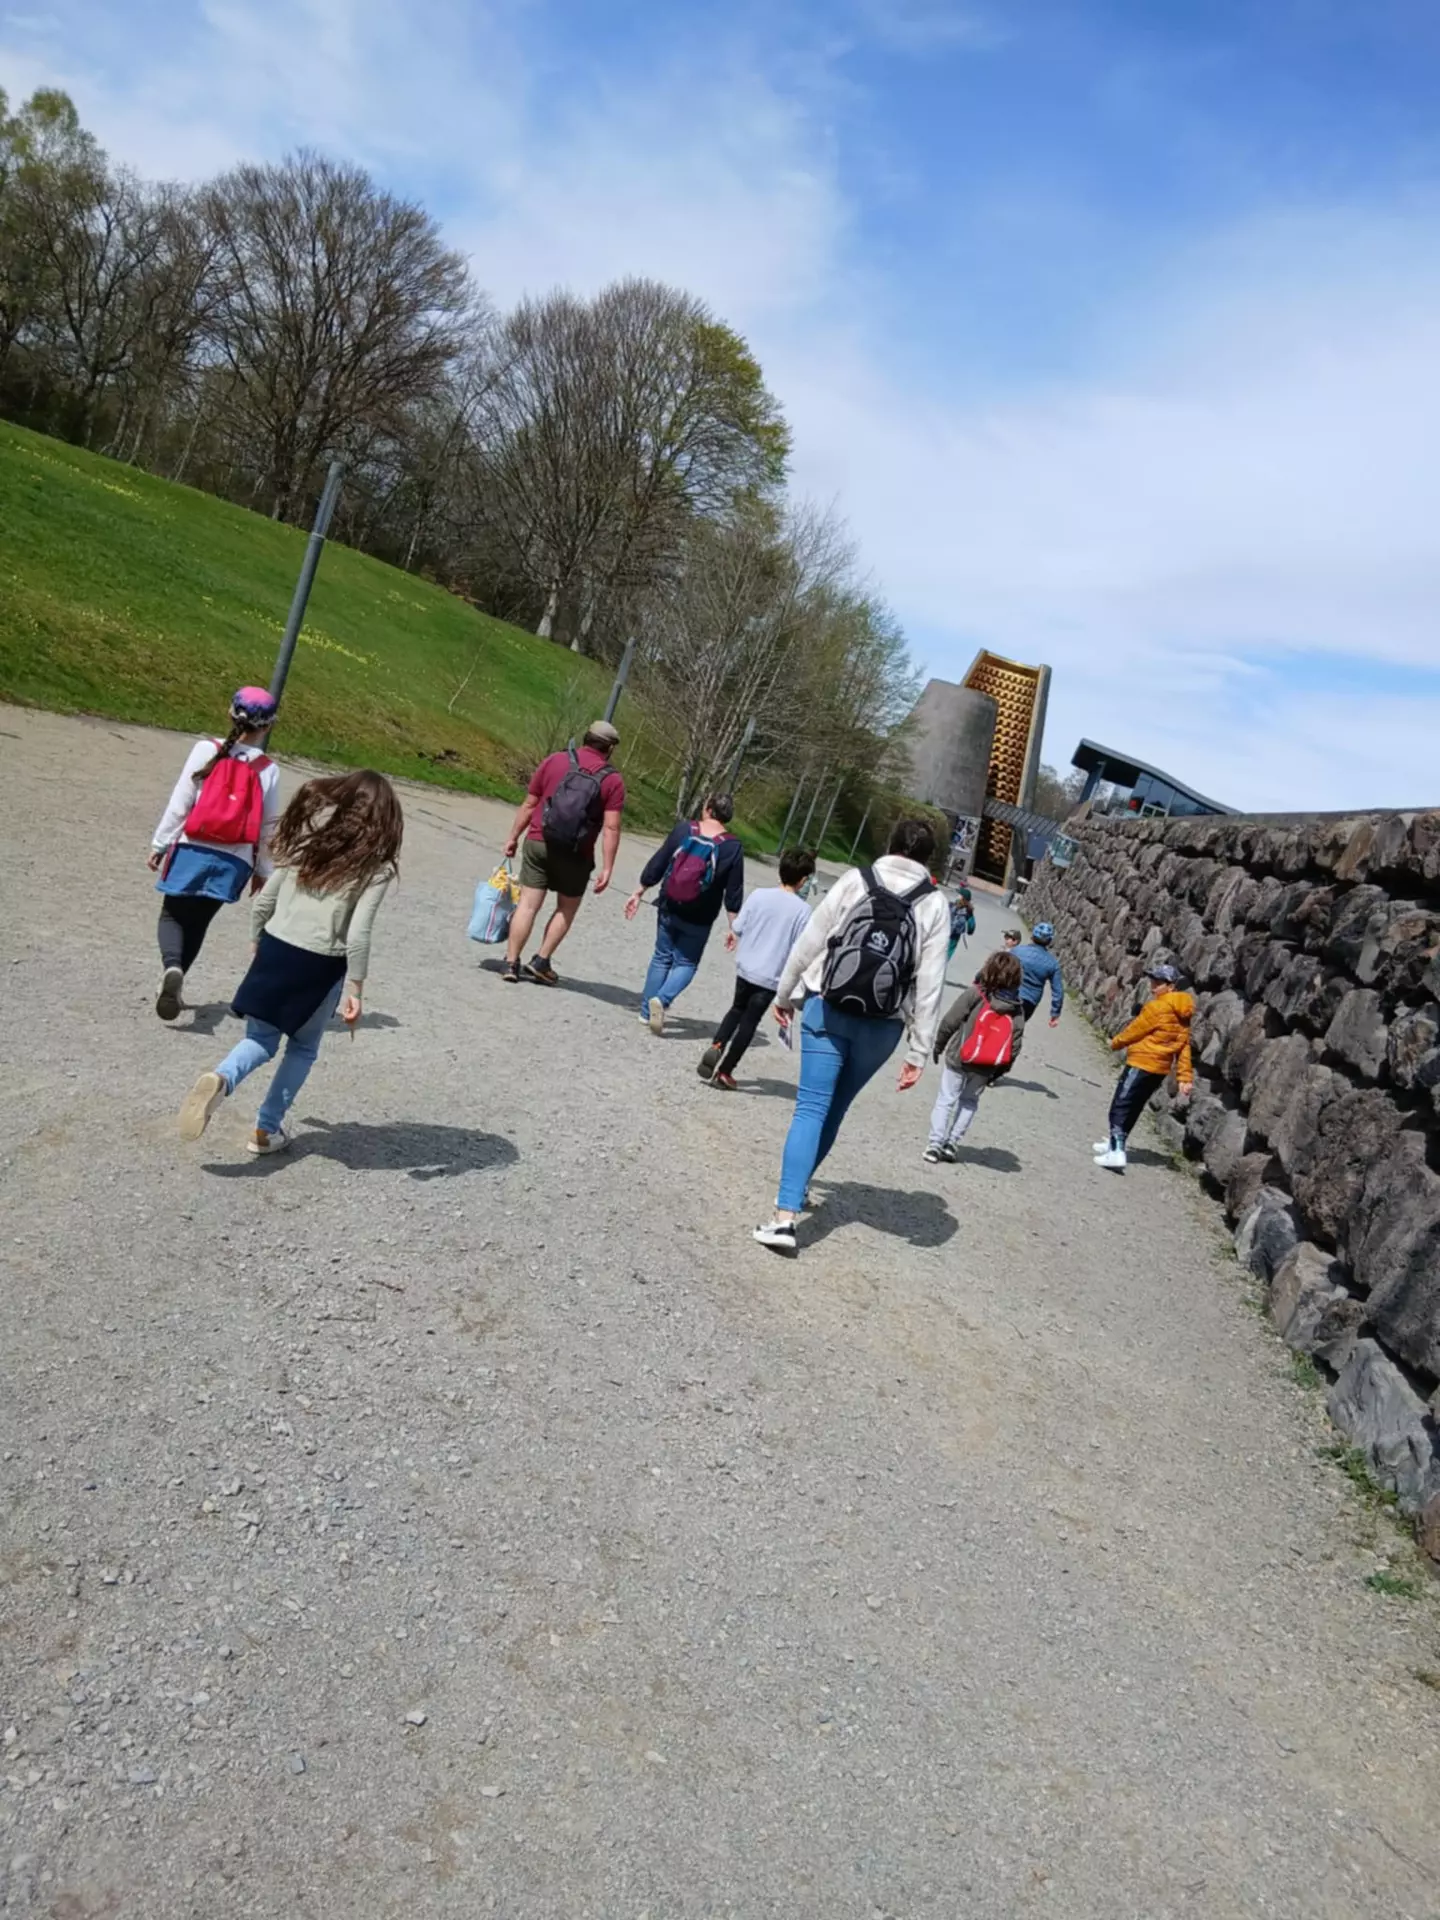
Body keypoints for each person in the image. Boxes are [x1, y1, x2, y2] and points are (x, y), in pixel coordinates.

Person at [177, 771, 402, 1157]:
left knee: (259, 1040)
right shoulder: (375, 869)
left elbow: (264, 903)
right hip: (319, 964)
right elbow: (359, 933)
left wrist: (257, 942)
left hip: (276, 947)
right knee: (302, 1048)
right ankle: (266, 1129)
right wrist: (356, 989)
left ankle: (221, 1077)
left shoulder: (307, 846)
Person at [753, 818, 951, 1255]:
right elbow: (931, 983)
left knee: (810, 1108)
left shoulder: (854, 880)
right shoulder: (935, 905)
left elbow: (810, 942)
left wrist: (784, 994)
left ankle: (784, 1217)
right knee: (835, 1108)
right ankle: (799, 1188)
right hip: (883, 1025)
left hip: (829, 1004)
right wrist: (919, 1051)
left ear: (890, 843)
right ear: (926, 859)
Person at [148, 686, 282, 1020]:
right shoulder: (268, 769)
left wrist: (160, 844)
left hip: (192, 846)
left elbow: (182, 800)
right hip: (233, 860)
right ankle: (178, 979)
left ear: (229, 713)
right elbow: (269, 827)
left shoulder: (206, 750)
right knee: (199, 922)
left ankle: (172, 968)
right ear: (267, 726)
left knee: (172, 915)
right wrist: (263, 870)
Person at [502, 722, 625, 985]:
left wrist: (513, 837)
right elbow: (612, 827)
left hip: (538, 841)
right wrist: (608, 867)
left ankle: (511, 963)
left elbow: (529, 804)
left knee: (528, 905)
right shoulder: (612, 780)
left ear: (586, 738)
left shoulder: (555, 761)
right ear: (610, 748)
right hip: (576, 853)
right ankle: (541, 961)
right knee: (566, 909)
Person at [698, 846, 816, 1089]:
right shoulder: (803, 911)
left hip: (746, 967)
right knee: (749, 1022)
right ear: (803, 879)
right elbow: (800, 951)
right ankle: (725, 1071)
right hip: (771, 976)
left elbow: (738, 926)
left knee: (736, 1009)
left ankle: (717, 1044)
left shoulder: (760, 895)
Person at [625, 794, 744, 1033]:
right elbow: (733, 892)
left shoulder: (684, 829)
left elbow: (659, 862)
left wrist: (639, 891)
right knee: (686, 962)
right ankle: (664, 999)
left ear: (708, 809)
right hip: (700, 915)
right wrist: (733, 927)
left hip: (670, 904)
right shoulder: (732, 847)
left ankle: (647, 1012)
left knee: (661, 957)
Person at [924, 950, 1026, 1163]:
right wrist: (998, 1071)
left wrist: (939, 1045)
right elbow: (1015, 1044)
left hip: (959, 1057)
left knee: (946, 1099)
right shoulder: (1016, 1009)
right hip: (985, 1066)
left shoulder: (976, 994)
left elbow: (950, 1021)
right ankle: (952, 1143)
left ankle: (935, 1144)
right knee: (969, 1102)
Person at [1094, 964, 1195, 1171]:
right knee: (1135, 1106)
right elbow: (1184, 1047)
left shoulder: (1157, 1007)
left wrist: (1116, 1043)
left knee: (1120, 1105)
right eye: (1153, 982)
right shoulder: (1183, 1013)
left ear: (1171, 986)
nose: (1153, 987)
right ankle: (1116, 1142)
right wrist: (1185, 1077)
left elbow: (1135, 1031)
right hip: (1158, 1070)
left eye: (1158, 984)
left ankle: (1116, 1151)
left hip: (1141, 1063)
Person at [1013, 921, 1064, 1025]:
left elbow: (999, 967)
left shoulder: (1017, 951)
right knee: (1016, 1028)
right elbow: (1058, 991)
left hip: (1009, 993)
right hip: (1029, 1002)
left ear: (1033, 936)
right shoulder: (1052, 963)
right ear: (1049, 941)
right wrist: (1055, 1014)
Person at [947, 885, 975, 963]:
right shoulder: (968, 912)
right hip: (954, 938)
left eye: (959, 894)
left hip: (943, 933)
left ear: (962, 897)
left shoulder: (951, 905)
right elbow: (971, 929)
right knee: (945, 958)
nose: (957, 896)